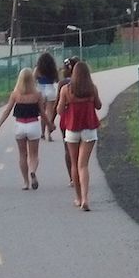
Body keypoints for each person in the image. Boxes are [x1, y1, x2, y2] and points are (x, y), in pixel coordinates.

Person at [0, 68, 53, 191]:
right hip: (33, 125)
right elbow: (43, 113)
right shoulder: (37, 95)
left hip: (20, 125)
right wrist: (49, 125)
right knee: (34, 155)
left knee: (22, 155)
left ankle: (26, 182)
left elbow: (7, 111)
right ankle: (33, 171)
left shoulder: (15, 94)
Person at [56, 61, 102, 211]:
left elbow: (59, 111)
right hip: (89, 128)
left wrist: (67, 105)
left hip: (72, 129)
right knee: (83, 165)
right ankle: (86, 199)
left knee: (75, 164)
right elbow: (98, 106)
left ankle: (78, 198)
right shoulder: (92, 88)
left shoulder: (66, 89)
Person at [55, 56, 80, 186]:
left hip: (66, 119)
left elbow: (57, 104)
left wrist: (51, 121)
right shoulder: (85, 82)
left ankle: (72, 177)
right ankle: (81, 173)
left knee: (68, 149)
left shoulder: (63, 84)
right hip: (82, 118)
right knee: (81, 149)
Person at [33, 52, 60, 141]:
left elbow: (33, 79)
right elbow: (57, 80)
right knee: (50, 113)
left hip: (41, 90)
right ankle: (49, 135)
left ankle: (42, 133)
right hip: (50, 89)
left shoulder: (38, 69)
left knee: (42, 113)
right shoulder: (53, 69)